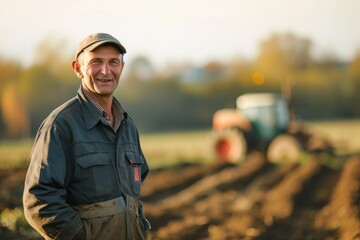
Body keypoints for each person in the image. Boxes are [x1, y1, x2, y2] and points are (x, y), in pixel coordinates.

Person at [23, 32, 151, 240]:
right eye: (96, 62)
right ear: (78, 68)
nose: (106, 71)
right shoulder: (60, 126)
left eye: (113, 62)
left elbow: (133, 201)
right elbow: (39, 201)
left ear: (122, 68)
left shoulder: (128, 127)